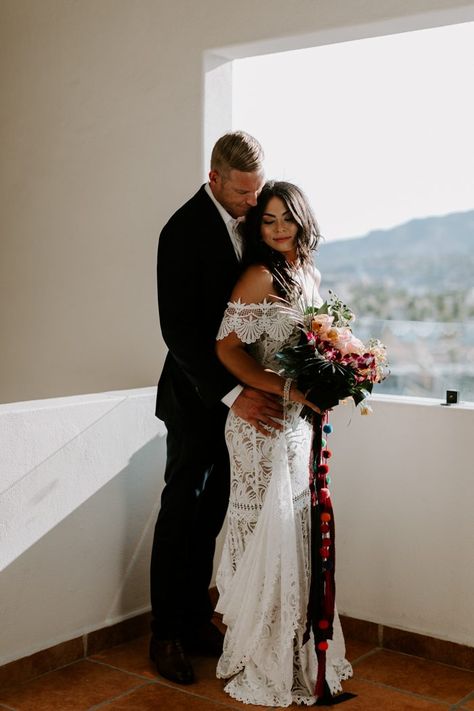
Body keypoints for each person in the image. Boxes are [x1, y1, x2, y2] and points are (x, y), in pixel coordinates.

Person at [151, 132, 283, 685]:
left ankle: (196, 618)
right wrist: (233, 394)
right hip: (193, 398)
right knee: (181, 511)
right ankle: (166, 634)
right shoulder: (180, 232)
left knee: (212, 516)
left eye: (256, 193)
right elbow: (178, 334)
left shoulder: (246, 219)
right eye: (243, 194)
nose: (254, 204)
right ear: (214, 179)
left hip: (238, 403)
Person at [215, 181, 353, 706]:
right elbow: (227, 349)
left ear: (301, 219)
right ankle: (259, 656)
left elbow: (321, 344)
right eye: (267, 219)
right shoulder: (256, 276)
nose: (276, 228)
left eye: (284, 219)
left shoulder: (308, 274)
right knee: (263, 538)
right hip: (261, 424)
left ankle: (298, 654)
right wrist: (287, 388)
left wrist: (341, 373)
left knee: (295, 538)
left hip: (299, 427)